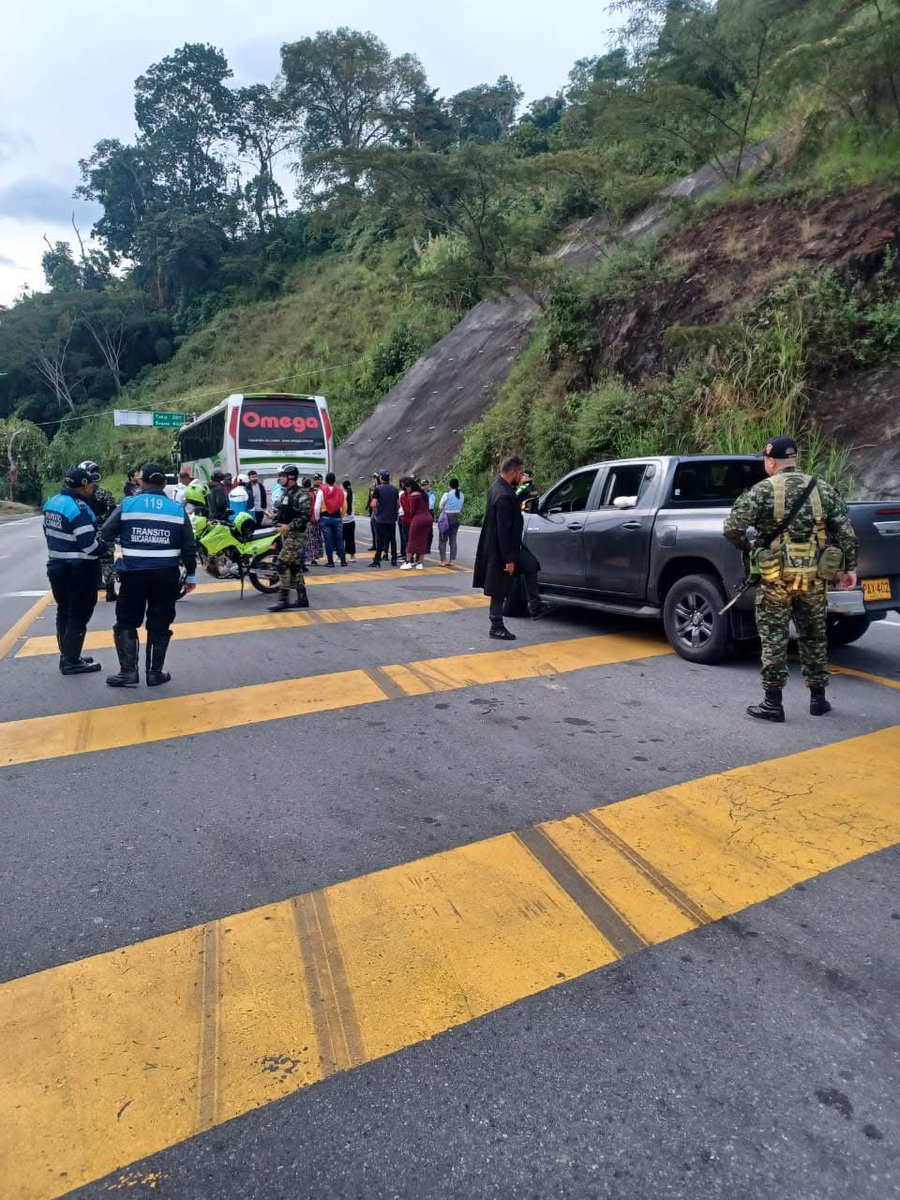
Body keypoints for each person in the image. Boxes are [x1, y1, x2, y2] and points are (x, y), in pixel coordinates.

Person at [724, 435, 859, 722]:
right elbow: (845, 531)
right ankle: (818, 700)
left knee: (774, 638)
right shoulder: (821, 488)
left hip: (776, 580)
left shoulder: (762, 490)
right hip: (814, 578)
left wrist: (751, 547)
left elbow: (732, 528)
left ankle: (773, 704)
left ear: (771, 461)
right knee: (814, 636)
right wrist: (850, 568)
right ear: (795, 459)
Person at [102, 463, 198, 687]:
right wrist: (191, 575)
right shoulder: (176, 509)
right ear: (164, 484)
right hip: (166, 576)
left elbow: (106, 532)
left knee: (126, 621)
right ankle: (155, 673)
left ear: (141, 482)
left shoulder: (128, 504)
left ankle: (128, 673)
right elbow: (189, 546)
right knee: (160, 622)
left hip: (133, 574)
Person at [473, 455, 549, 639]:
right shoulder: (504, 495)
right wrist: (509, 559)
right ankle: (496, 625)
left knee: (531, 564)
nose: (522, 477)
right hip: (502, 548)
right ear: (513, 472)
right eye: (521, 473)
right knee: (499, 587)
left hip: (509, 545)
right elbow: (503, 530)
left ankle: (535, 605)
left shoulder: (499, 487)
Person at [42, 465, 105, 675]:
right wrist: (105, 546)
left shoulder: (52, 502)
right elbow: (89, 544)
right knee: (79, 613)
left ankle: (68, 654)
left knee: (64, 610)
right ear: (83, 486)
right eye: (91, 485)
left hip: (56, 565)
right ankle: (71, 660)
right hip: (78, 568)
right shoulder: (79, 508)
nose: (94, 489)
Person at [270, 465, 311, 611]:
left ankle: (284, 599)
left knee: (281, 563)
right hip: (286, 534)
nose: (279, 478)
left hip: (297, 534)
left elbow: (306, 516)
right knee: (294, 566)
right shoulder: (285, 493)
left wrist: (290, 525)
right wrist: (275, 520)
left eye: (282, 475)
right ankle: (302, 598)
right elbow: (282, 512)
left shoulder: (302, 494)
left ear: (291, 477)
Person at [80, 460, 118, 601]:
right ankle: (110, 590)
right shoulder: (104, 493)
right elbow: (113, 512)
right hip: (104, 531)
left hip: (85, 531)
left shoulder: (79, 496)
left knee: (86, 560)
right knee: (107, 561)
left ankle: (90, 588)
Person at [315, 472, 348, 567]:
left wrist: (318, 518)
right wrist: (341, 516)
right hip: (337, 517)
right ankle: (343, 561)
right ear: (334, 480)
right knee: (339, 540)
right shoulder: (340, 491)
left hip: (325, 518)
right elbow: (345, 506)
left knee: (328, 540)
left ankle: (330, 561)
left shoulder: (322, 490)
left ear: (326, 480)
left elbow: (317, 506)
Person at [369, 471, 399, 568]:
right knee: (392, 539)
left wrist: (377, 513)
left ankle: (377, 560)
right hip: (391, 518)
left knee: (380, 540)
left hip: (381, 519)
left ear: (381, 478)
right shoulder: (395, 489)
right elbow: (398, 505)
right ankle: (394, 559)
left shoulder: (378, 489)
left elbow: (373, 504)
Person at [401, 479, 432, 570]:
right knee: (423, 540)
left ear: (410, 486)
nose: (407, 490)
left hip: (418, 518)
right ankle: (420, 563)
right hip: (428, 518)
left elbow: (412, 510)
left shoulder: (414, 495)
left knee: (411, 539)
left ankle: (408, 562)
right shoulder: (424, 494)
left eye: (407, 488)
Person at [438, 478, 465, 566]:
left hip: (446, 518)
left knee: (443, 540)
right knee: (453, 539)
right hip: (456, 518)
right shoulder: (461, 495)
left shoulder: (447, 494)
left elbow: (440, 506)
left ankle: (443, 561)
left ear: (449, 485)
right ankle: (452, 560)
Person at [303, 475, 324, 566]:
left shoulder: (304, 494)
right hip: (314, 519)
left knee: (308, 540)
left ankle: (307, 558)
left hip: (308, 520)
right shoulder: (313, 493)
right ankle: (313, 559)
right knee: (314, 540)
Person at [397, 476, 412, 562]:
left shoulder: (402, 494)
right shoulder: (413, 493)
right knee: (408, 536)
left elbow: (398, 505)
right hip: (410, 517)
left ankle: (405, 554)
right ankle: (407, 553)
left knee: (404, 536)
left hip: (403, 516)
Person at [342, 478, 357, 560]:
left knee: (341, 539)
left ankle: (340, 556)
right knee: (351, 539)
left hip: (343, 520)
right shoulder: (352, 494)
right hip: (351, 520)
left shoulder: (342, 494)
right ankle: (352, 556)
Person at [422, 478, 436, 555]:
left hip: (429, 512)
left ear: (428, 485)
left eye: (425, 485)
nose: (424, 487)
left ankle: (427, 547)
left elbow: (431, 504)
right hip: (421, 512)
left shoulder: (431, 493)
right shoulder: (420, 493)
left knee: (429, 531)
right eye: (422, 485)